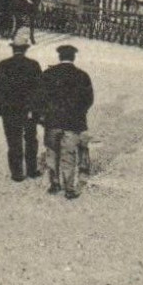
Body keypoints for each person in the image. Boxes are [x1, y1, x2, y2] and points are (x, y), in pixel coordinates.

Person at [37, 44, 94, 199]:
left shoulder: (48, 74)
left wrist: (43, 115)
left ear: (59, 57)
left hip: (52, 122)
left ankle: (54, 184)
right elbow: (88, 100)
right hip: (72, 124)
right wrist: (78, 114)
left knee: (52, 154)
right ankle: (69, 189)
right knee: (68, 156)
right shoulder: (82, 76)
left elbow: (39, 98)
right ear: (73, 58)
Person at [0, 40, 43, 182]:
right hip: (28, 109)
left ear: (13, 50)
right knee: (30, 139)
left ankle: (17, 173)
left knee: (14, 140)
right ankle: (32, 170)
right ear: (25, 50)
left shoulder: (4, 64)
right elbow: (40, 86)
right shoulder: (33, 64)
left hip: (9, 108)